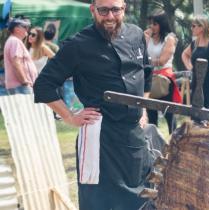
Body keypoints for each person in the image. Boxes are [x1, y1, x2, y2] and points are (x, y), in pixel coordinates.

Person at [33, 0, 153, 209]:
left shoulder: (136, 34)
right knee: (99, 202)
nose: (109, 16)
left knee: (139, 200)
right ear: (93, 10)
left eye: (115, 9)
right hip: (100, 137)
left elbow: (147, 72)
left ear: (123, 8)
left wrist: (143, 110)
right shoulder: (78, 45)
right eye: (103, 10)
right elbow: (43, 85)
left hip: (134, 137)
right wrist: (69, 116)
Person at [181, 15, 209, 137]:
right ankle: (196, 141)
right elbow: (184, 54)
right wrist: (190, 67)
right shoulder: (195, 42)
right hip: (197, 82)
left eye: (194, 26)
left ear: (202, 26)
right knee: (196, 113)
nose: (191, 28)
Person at [144, 10, 181, 134]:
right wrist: (144, 40)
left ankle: (174, 142)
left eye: (155, 24)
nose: (151, 27)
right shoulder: (147, 37)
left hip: (164, 79)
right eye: (150, 24)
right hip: (150, 78)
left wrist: (147, 61)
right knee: (151, 114)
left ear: (162, 24)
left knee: (169, 114)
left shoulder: (169, 38)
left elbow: (163, 60)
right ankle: (153, 143)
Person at [3, 18, 37, 95]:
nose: (27, 30)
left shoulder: (13, 41)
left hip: (18, 86)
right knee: (27, 107)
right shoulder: (15, 41)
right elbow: (16, 63)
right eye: (25, 27)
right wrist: (24, 81)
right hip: (20, 86)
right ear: (17, 29)